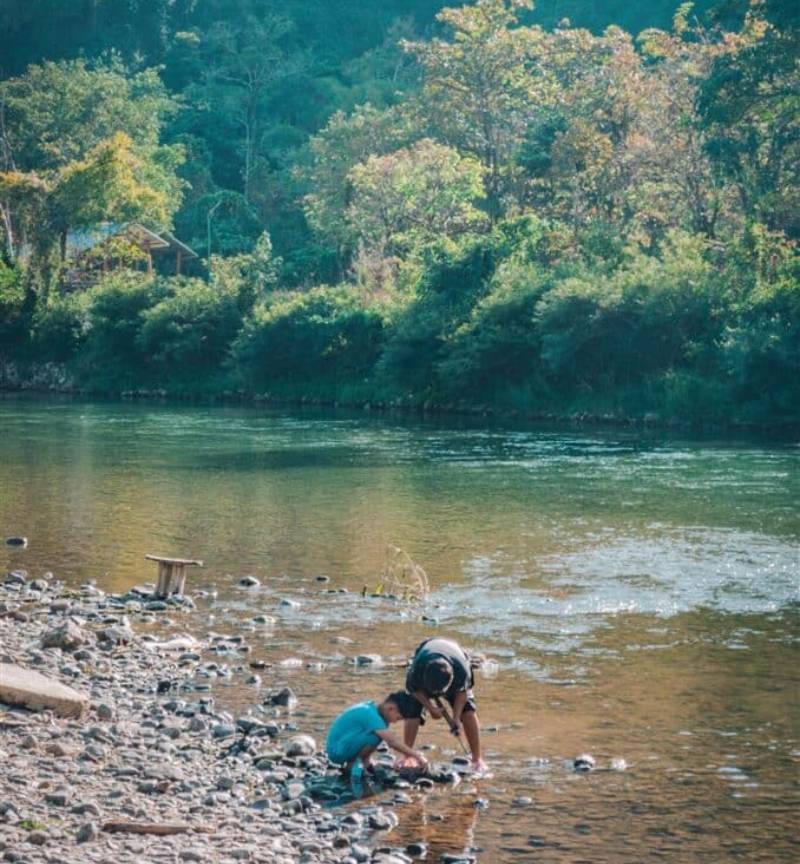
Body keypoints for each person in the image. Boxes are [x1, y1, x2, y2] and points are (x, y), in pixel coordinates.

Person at [403, 636, 486, 772]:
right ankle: (407, 756)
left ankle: (477, 759)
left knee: (468, 712)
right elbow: (414, 691)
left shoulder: (462, 671)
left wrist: (456, 718)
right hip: (427, 649)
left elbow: (462, 693)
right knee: (412, 709)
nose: (438, 694)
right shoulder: (417, 669)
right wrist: (430, 708)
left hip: (454, 652)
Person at [326, 691, 428, 774]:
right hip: (337, 751)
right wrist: (417, 756)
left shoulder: (374, 710)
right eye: (398, 718)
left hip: (341, 746)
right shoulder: (371, 715)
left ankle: (365, 761)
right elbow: (392, 741)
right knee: (377, 736)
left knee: (377, 733)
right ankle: (353, 765)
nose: (396, 721)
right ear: (391, 708)